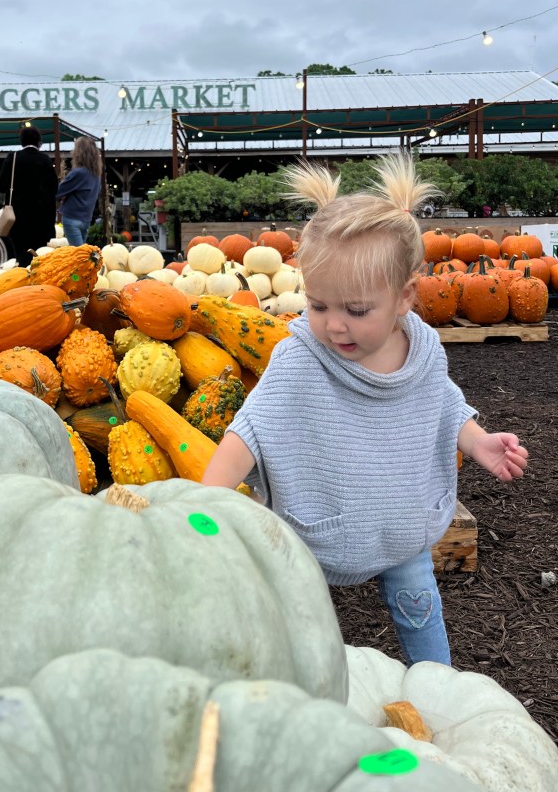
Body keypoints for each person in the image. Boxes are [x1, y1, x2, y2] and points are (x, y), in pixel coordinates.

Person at [201, 153, 528, 667]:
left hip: (401, 523)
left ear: (404, 298)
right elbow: (253, 429)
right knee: (297, 621)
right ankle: (300, 685)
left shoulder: (423, 350)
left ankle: (437, 686)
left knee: (419, 611)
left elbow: (441, 402)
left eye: (356, 311)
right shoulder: (300, 356)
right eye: (318, 304)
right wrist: (205, 500)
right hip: (315, 527)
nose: (333, 325)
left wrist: (477, 440)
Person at [0, 125, 58, 266]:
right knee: (40, 257)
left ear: (21, 142)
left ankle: (23, 284)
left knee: (21, 258)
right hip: (42, 219)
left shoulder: (13, 158)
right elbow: (54, 188)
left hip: (18, 219)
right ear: (39, 142)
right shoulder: (45, 160)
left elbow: (0, 186)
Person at [56, 136, 102, 246]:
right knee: (81, 252)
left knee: (78, 254)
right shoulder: (96, 175)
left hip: (72, 217)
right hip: (86, 218)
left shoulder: (78, 173)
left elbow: (58, 193)